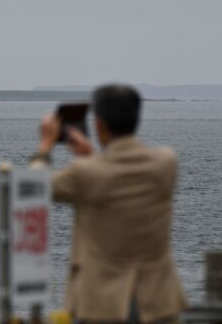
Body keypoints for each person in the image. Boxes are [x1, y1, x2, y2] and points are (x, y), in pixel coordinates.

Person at [31, 84, 186, 324]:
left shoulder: (86, 174)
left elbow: (35, 187)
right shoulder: (166, 163)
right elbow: (117, 179)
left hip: (103, 307)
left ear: (99, 124)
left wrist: (45, 145)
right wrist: (92, 158)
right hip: (157, 305)